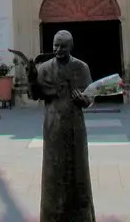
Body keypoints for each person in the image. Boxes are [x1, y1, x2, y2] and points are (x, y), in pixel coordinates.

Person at [28, 30, 96, 222]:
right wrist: (32, 78)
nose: (58, 49)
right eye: (55, 45)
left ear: (71, 47)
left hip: (75, 125)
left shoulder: (81, 67)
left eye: (62, 46)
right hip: (53, 126)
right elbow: (35, 95)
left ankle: (81, 216)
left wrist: (84, 100)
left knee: (78, 170)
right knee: (53, 172)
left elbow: (91, 95)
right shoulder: (45, 68)